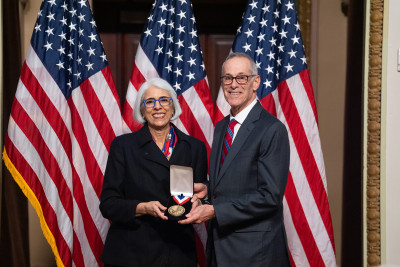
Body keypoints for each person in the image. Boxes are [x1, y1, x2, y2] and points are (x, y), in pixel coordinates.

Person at [179, 52, 291, 266]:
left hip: (255, 252)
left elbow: (270, 196)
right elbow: (235, 180)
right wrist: (207, 190)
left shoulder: (272, 129)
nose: (233, 84)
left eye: (242, 77)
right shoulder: (222, 127)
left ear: (255, 82)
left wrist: (214, 211)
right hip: (220, 245)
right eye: (227, 78)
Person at [99, 78, 208, 267]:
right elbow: (108, 204)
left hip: (178, 254)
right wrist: (143, 208)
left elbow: (201, 192)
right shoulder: (123, 146)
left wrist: (200, 200)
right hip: (131, 254)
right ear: (142, 110)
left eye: (164, 100)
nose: (158, 107)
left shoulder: (195, 147)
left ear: (173, 106)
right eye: (150, 102)